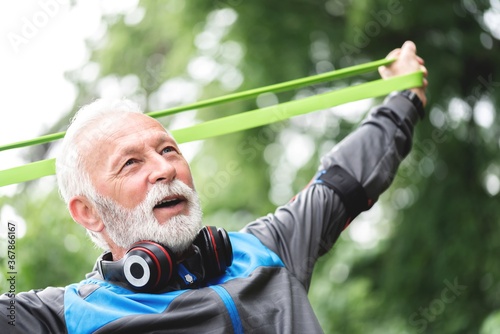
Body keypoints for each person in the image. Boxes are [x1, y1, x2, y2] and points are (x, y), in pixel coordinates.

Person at [0, 41, 428, 333]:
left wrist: (403, 97)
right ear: (88, 211)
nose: (164, 169)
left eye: (168, 150)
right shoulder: (62, 317)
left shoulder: (266, 249)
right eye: (131, 163)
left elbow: (343, 179)